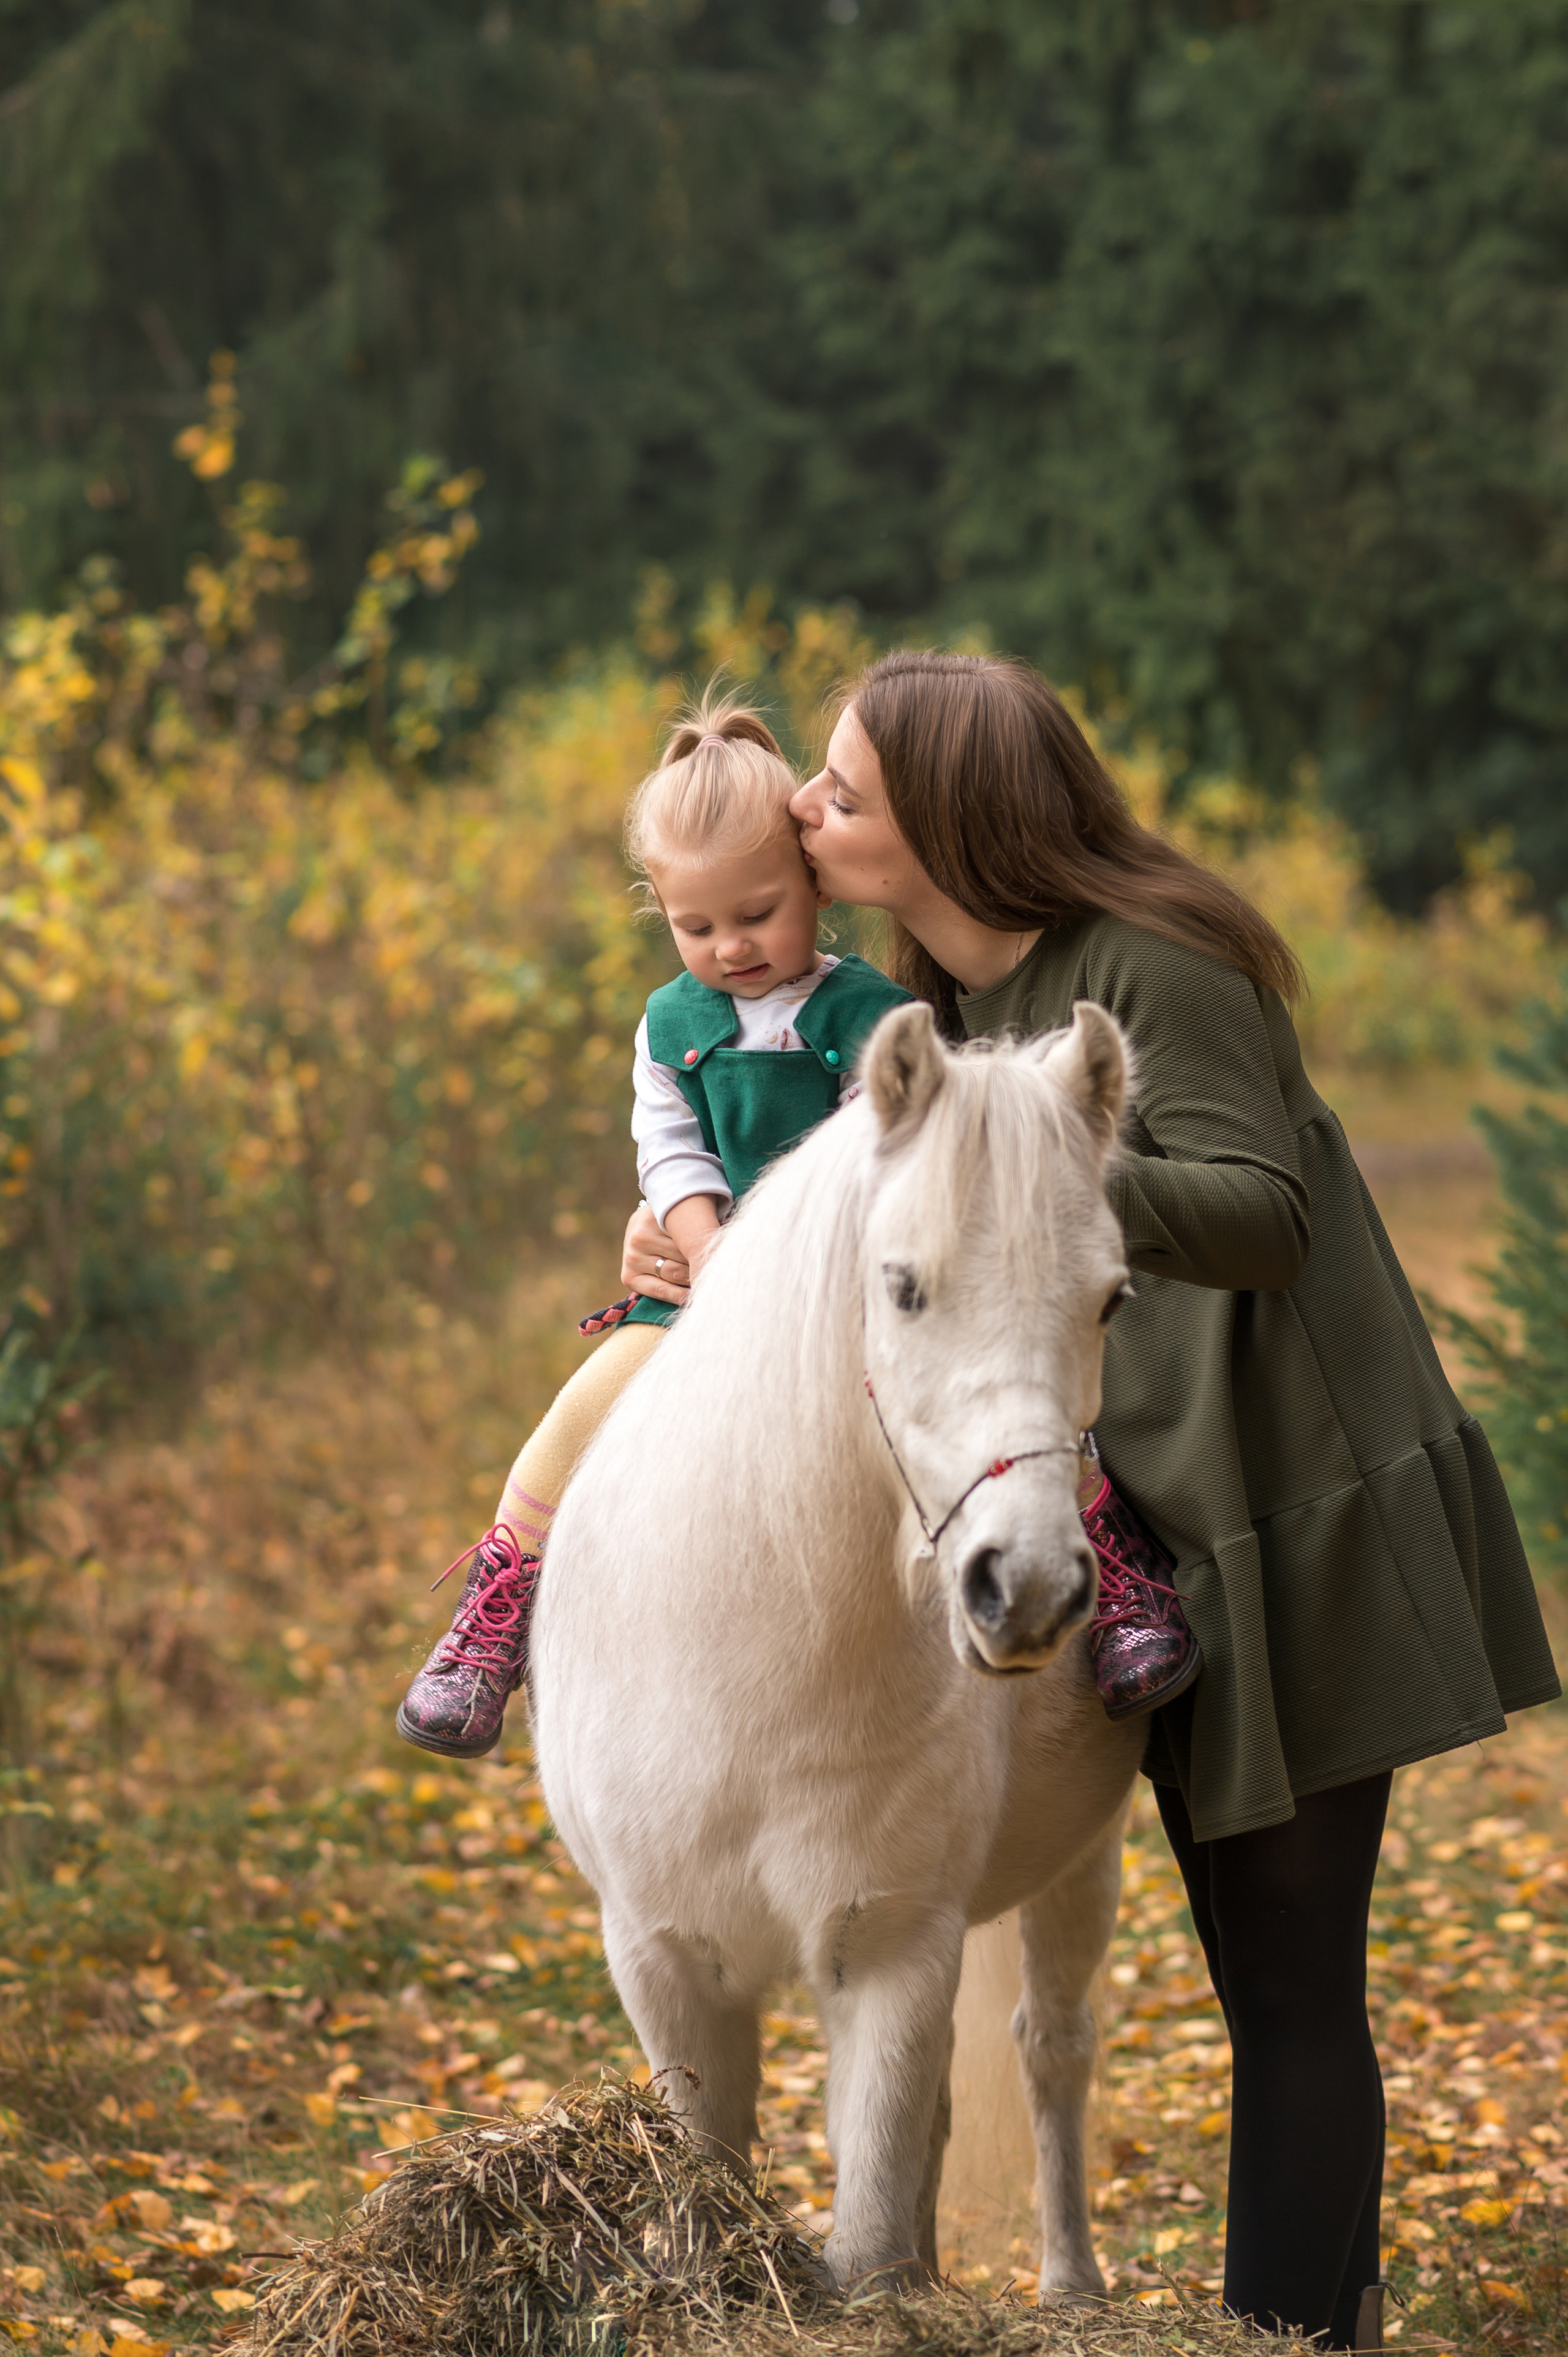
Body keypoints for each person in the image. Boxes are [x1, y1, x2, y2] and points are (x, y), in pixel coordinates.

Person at [623, 649, 1560, 2353]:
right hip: (1132, 1521)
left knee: (1285, 1991)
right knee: (1244, 1973)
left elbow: (1264, 1213)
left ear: (951, 821)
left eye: (841, 794)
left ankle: (1295, 2334)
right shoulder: (951, 1011)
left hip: (1292, 1507)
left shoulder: (1161, 965)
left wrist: (1024, 1168)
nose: (807, 814)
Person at [396, 696, 912, 1759]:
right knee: (580, 1409)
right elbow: (670, 1145)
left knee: (977, 1402)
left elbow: (876, 1151)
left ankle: (1108, 1561)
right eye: (698, 926)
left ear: (813, 883)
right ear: (662, 910)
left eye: (759, 913)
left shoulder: (872, 1014)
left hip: (847, 1291)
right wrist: (707, 1242)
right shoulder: (669, 1025)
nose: (732, 947)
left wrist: (786, 1266)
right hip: (703, 1292)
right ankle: (496, 1614)